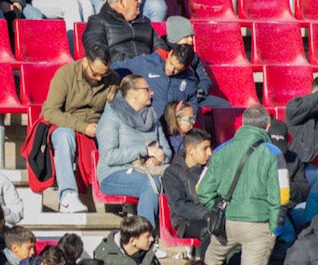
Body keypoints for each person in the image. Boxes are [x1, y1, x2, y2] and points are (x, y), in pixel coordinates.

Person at [198, 105, 288, 265]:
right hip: (259, 226)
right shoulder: (273, 152)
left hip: (226, 223)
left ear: (243, 124)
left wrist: (218, 207)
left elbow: (202, 189)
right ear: (268, 125)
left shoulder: (222, 148)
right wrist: (275, 229)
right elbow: (281, 197)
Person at [42, 43, 120, 214]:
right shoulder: (65, 74)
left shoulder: (112, 79)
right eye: (95, 73)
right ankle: (68, 196)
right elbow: (49, 111)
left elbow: (115, 111)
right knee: (64, 136)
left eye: (103, 74)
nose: (100, 78)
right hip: (66, 124)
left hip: (98, 127)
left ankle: (117, 190)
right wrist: (82, 127)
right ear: (85, 62)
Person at [94, 74, 170, 224]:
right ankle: (145, 236)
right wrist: (144, 150)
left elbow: (166, 150)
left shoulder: (152, 117)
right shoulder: (111, 117)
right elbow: (109, 156)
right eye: (146, 90)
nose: (152, 92)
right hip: (114, 173)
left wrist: (156, 159)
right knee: (151, 184)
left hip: (148, 171)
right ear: (132, 94)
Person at [80, 0, 167, 66]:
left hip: (149, 69)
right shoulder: (98, 21)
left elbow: (160, 46)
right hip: (119, 71)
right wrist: (135, 62)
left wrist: (152, 61)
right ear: (122, 2)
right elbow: (97, 50)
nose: (140, 1)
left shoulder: (144, 21)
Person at [162, 127, 213, 243]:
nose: (210, 153)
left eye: (210, 147)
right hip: (186, 222)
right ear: (190, 150)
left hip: (212, 216)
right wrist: (206, 215)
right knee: (211, 231)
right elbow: (179, 205)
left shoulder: (211, 168)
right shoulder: (172, 173)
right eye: (205, 149)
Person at [122, 43, 200, 111]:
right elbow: (118, 69)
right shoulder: (147, 62)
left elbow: (192, 107)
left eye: (177, 69)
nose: (171, 70)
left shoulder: (189, 82)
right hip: (144, 120)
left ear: (185, 68)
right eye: (171, 63)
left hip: (171, 124)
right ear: (170, 54)